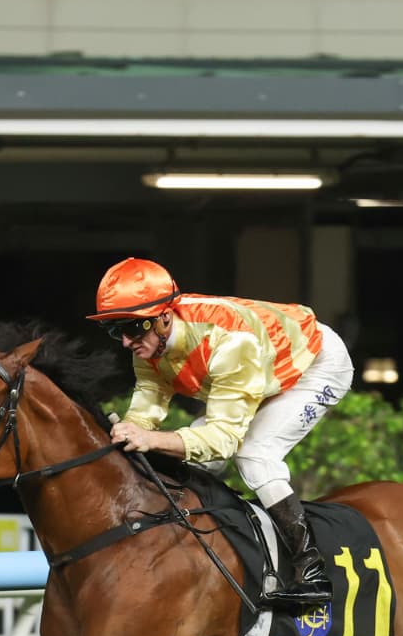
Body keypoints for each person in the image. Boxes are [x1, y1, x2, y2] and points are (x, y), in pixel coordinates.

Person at [87, 257, 354, 607]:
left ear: (164, 317)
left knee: (254, 455)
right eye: (115, 331)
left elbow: (224, 440)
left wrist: (151, 439)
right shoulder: (149, 343)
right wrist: (129, 429)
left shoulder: (229, 342)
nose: (125, 342)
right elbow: (148, 402)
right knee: (195, 463)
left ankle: (313, 572)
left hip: (315, 366)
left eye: (132, 329)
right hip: (260, 369)